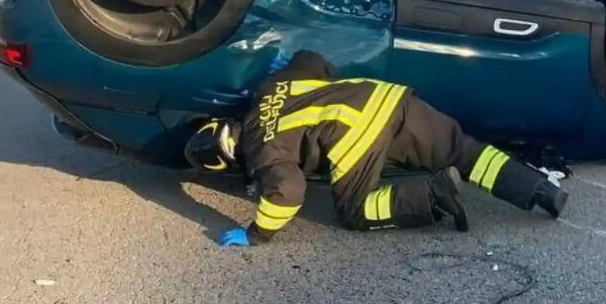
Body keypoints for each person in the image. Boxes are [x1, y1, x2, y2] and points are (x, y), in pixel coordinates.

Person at [183, 50, 568, 247]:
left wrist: (257, 233)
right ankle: (539, 190)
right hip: (385, 98)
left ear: (226, 159)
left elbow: (288, 191)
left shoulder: (260, 152)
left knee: (354, 211)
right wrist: (285, 71)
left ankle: (434, 195)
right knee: (462, 150)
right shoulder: (269, 88)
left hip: (355, 134)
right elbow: (311, 60)